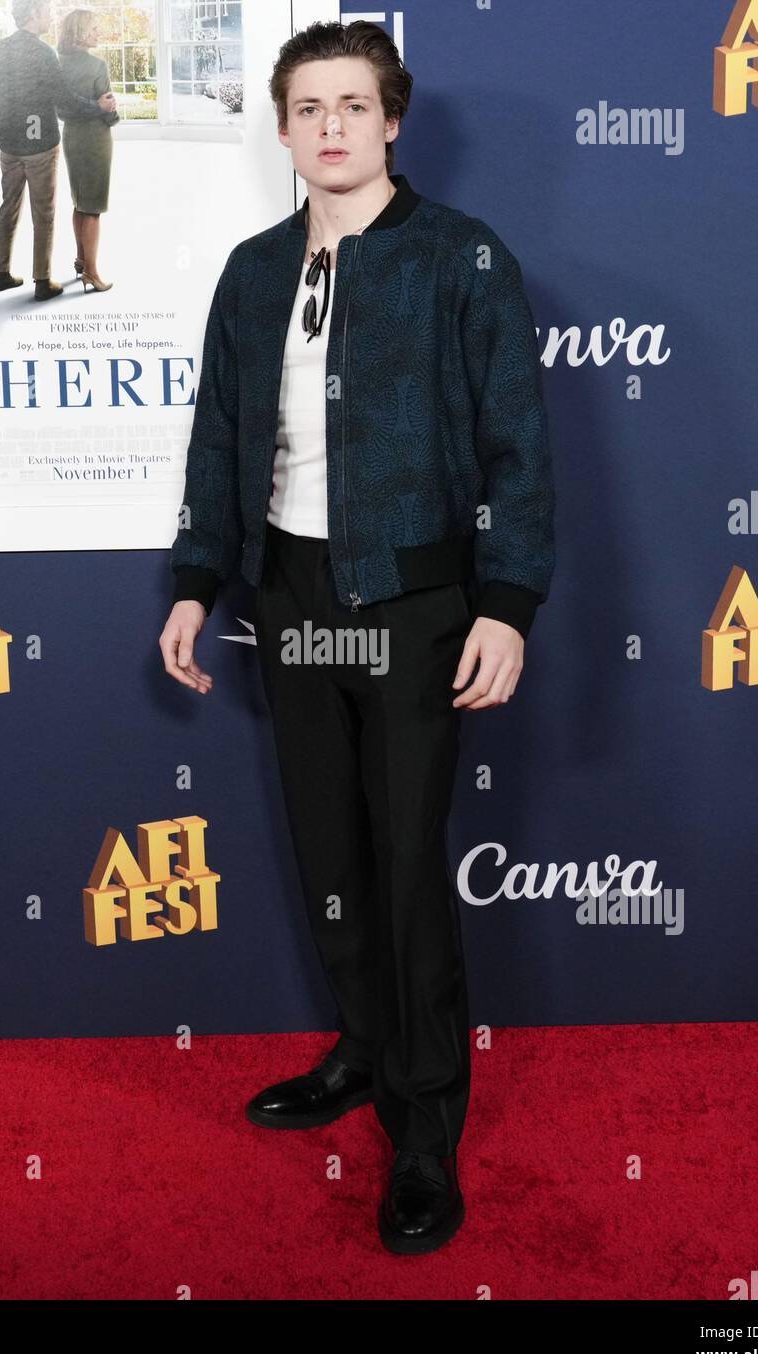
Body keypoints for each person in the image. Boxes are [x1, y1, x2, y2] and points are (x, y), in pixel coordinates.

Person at [161, 20, 555, 1255]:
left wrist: (506, 602)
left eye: (352, 104)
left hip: (416, 607)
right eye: (307, 107)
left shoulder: (460, 260)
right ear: (281, 130)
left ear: (391, 119)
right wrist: (194, 579)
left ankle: (424, 1126)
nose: (330, 125)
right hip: (292, 601)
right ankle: (365, 1047)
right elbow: (222, 438)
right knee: (327, 844)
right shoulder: (251, 270)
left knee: (402, 860)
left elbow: (516, 448)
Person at [0, 0, 116, 301]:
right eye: (46, 12)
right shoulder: (43, 53)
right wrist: (97, 106)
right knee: (43, 213)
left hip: (10, 146)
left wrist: (2, 132)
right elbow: (64, 100)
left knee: (9, 206)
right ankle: (43, 281)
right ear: (32, 15)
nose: (50, 17)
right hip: (40, 146)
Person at [57, 8, 119, 293]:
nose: (98, 33)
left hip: (71, 137)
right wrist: (112, 114)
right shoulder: (97, 67)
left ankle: (81, 260)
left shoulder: (58, 65)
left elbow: (61, 108)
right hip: (95, 140)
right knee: (92, 208)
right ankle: (92, 274)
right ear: (80, 32)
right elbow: (106, 108)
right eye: (93, 28)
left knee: (80, 202)